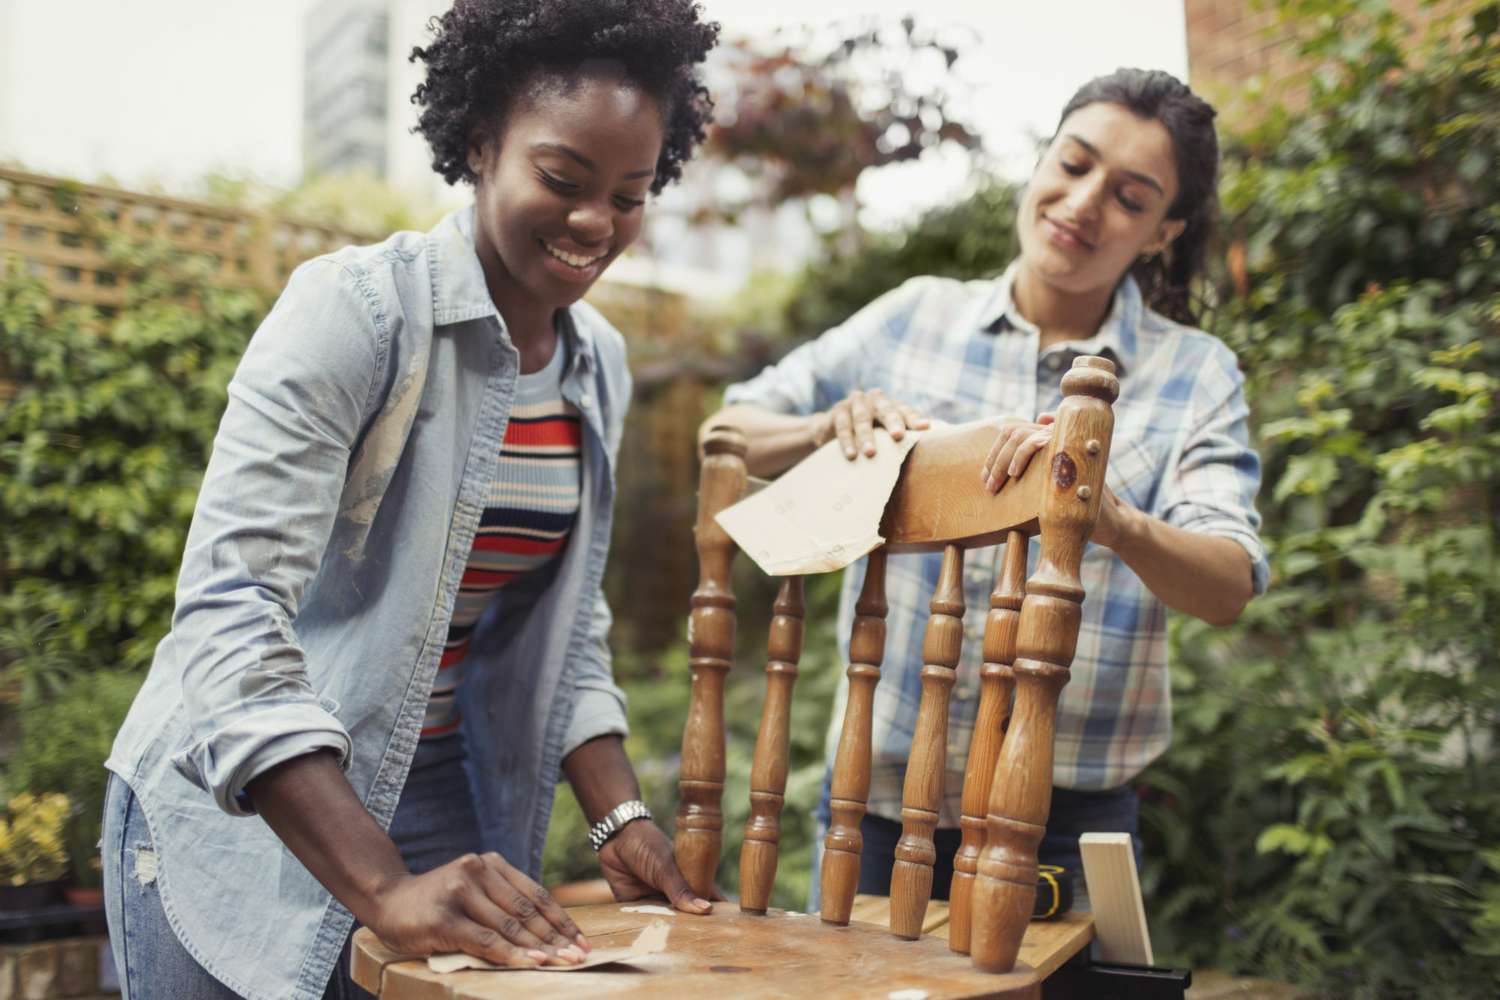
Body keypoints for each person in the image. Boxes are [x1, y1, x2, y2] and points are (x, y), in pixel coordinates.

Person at [101, 2, 719, 997]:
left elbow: (569, 623)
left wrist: (619, 817)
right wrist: (381, 885)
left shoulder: (596, 362)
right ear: (480, 145)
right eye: (562, 179)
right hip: (249, 802)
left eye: (632, 194)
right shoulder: (356, 312)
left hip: (435, 797)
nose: (596, 222)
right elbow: (229, 611)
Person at [704, 68, 1268, 907]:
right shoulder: (911, 318)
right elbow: (726, 433)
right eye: (1073, 164)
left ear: (1163, 232)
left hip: (1068, 827)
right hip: (879, 807)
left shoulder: (1194, 375)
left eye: (1129, 196)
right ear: (1041, 161)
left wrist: (1107, 517)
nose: (1082, 204)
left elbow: (1229, 584)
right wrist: (825, 428)